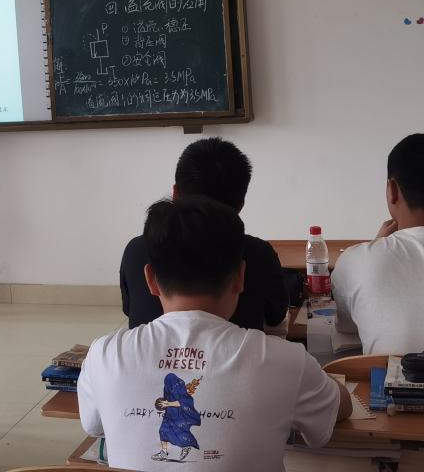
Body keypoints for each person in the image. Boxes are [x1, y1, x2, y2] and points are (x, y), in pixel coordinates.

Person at [78, 197, 351, 471]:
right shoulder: (286, 361)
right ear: (240, 277)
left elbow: (93, 424)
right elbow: (339, 409)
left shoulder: (104, 354)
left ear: (150, 280)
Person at [119, 137, 288, 331]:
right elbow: (276, 316)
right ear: (241, 203)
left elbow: (129, 310)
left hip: (146, 351)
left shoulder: (136, 251)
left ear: (175, 193)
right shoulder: (259, 253)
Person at [333, 133, 424, 354]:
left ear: (392, 190)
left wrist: (375, 246)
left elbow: (347, 326)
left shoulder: (355, 260)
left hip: (388, 377)